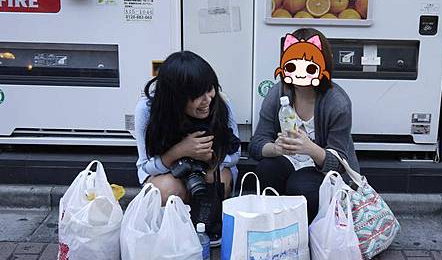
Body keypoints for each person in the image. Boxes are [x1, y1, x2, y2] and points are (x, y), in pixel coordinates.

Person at [249, 28, 360, 222]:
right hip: (288, 161)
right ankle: (275, 226)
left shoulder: (338, 103)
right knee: (267, 169)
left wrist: (310, 148)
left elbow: (340, 162)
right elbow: (256, 144)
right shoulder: (278, 94)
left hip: (323, 169)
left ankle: (309, 234)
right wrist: (275, 148)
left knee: (300, 185)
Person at [134, 51, 240, 244]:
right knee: (164, 189)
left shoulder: (221, 103)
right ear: (175, 97)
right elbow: (143, 168)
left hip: (210, 170)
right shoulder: (148, 109)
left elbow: (235, 156)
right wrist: (178, 153)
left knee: (218, 178)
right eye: (197, 95)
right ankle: (174, 231)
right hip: (169, 174)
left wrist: (210, 158)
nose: (208, 99)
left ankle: (207, 225)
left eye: (210, 88)